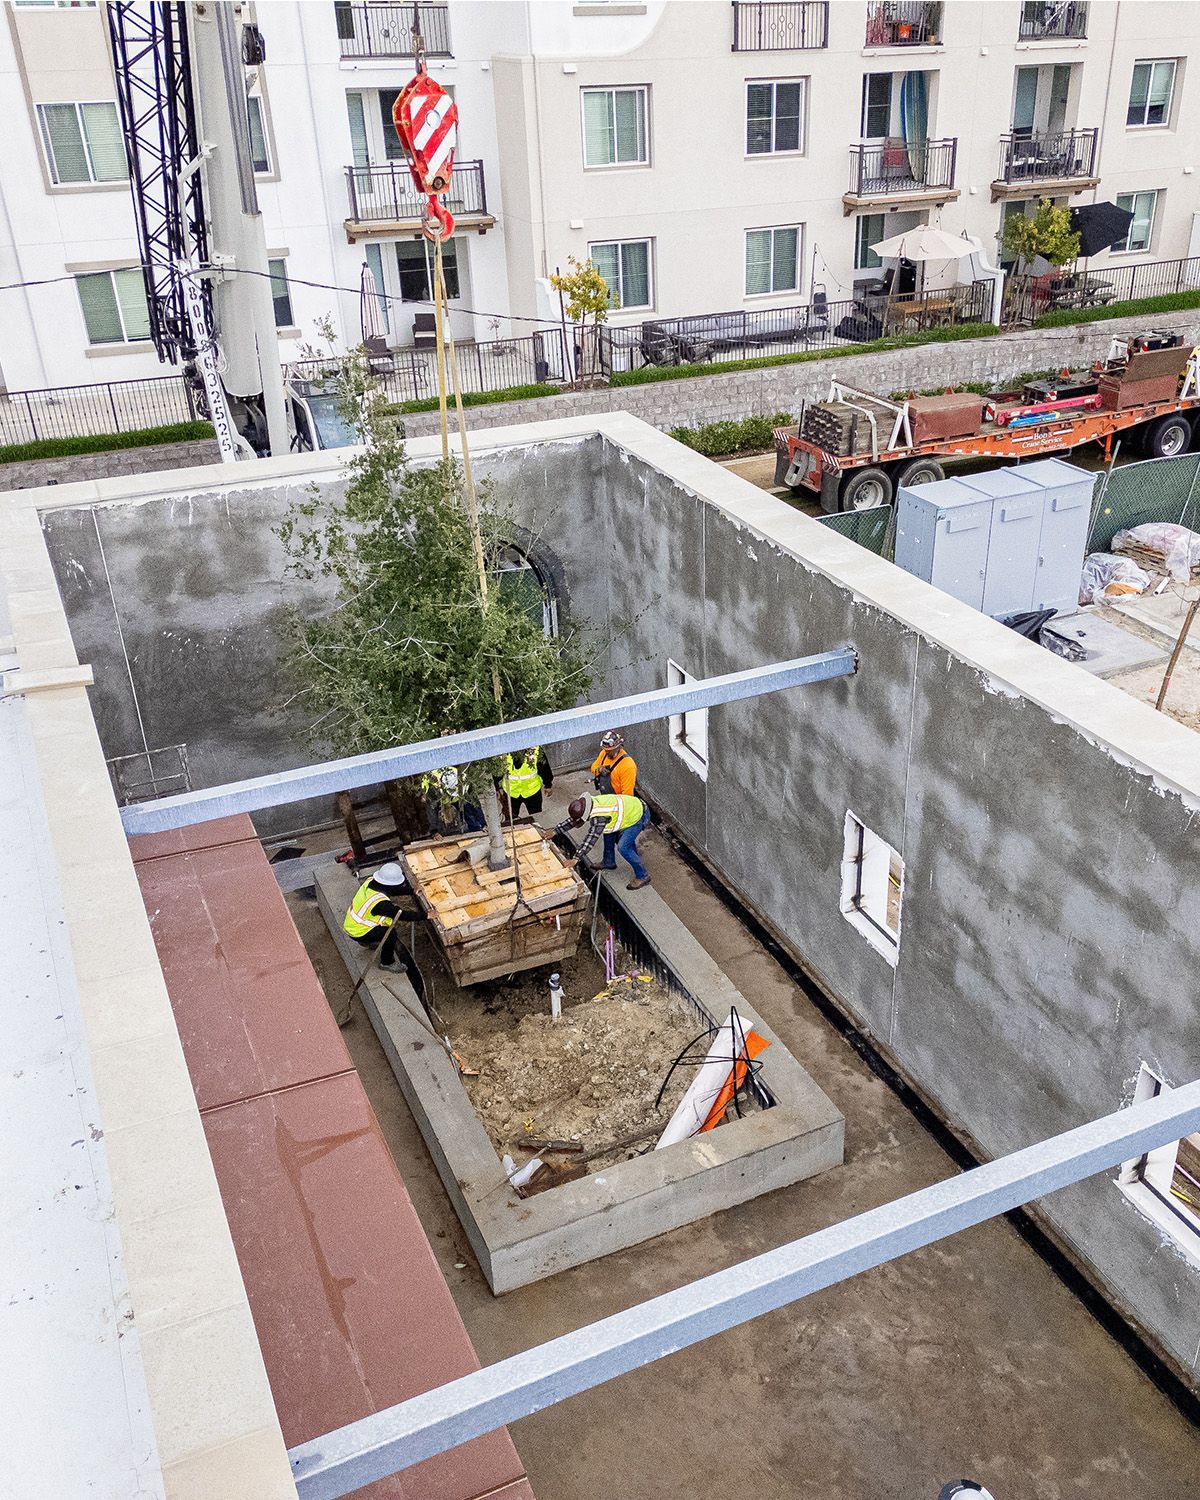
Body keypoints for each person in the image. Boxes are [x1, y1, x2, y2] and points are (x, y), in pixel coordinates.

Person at [341, 861, 427, 1016]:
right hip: (359, 931)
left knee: (384, 931)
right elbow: (402, 914)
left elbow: (393, 890)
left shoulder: (370, 883)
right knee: (391, 934)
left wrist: (411, 891)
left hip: (351, 925)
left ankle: (368, 941)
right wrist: (426, 915)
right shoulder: (381, 904)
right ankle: (386, 962)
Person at [556, 792, 651, 891]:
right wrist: (556, 831)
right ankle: (609, 862)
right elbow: (574, 819)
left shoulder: (600, 817)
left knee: (623, 847)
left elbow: (591, 838)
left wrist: (576, 858)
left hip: (638, 816)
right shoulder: (588, 803)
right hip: (628, 810)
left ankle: (643, 876)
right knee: (608, 832)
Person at [590, 731, 638, 869]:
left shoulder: (627, 765)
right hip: (608, 800)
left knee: (624, 839)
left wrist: (620, 814)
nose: (607, 752)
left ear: (619, 747)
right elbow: (593, 768)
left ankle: (638, 868)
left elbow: (628, 795)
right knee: (608, 831)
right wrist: (600, 769)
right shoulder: (604, 754)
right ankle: (608, 861)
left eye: (610, 750)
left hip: (621, 804)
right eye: (605, 750)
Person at [502, 745, 553, 821]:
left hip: (532, 791)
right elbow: (496, 772)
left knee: (537, 818)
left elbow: (544, 767)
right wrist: (496, 787)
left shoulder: (534, 749)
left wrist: (548, 784)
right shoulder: (502, 751)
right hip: (511, 792)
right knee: (510, 820)